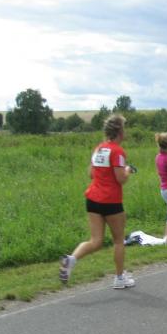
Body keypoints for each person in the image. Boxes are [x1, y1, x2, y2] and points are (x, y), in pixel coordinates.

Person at [59, 114, 136, 289]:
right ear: (120, 132)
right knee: (118, 240)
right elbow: (120, 179)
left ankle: (71, 259)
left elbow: (91, 174)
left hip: (93, 199)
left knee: (95, 240)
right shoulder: (118, 151)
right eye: (124, 129)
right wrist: (128, 170)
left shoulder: (99, 149)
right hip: (111, 201)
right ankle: (119, 278)